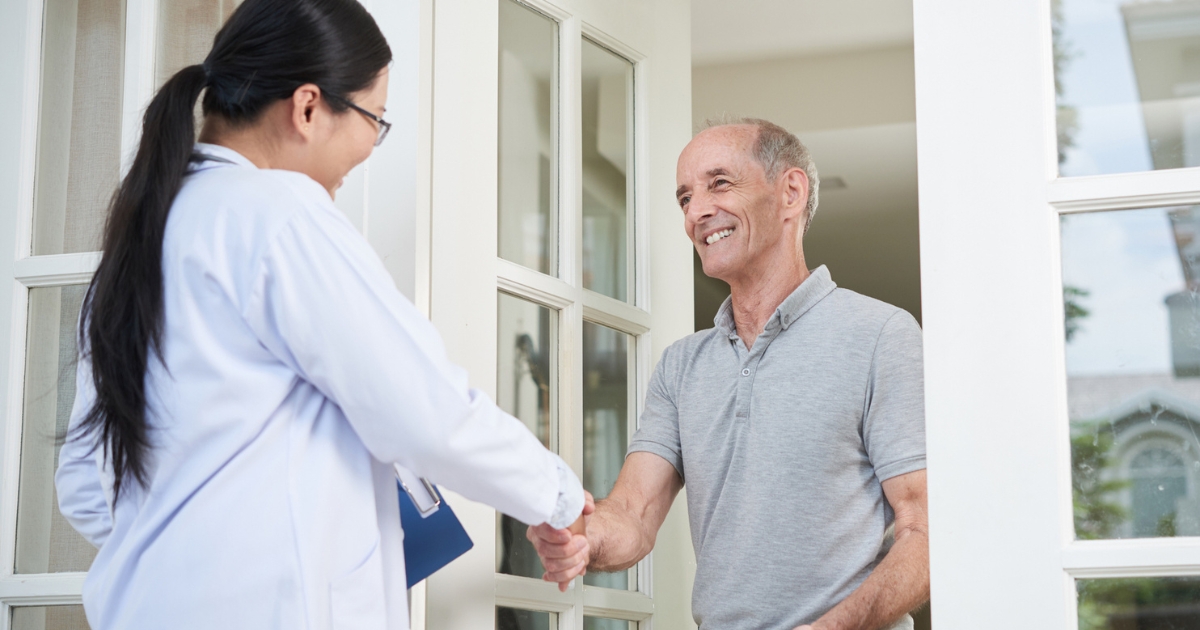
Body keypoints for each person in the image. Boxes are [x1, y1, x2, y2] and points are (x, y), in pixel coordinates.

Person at [54, 1, 588, 628]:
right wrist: (560, 497)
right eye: (374, 119)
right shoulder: (281, 215)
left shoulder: (144, 238)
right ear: (307, 107)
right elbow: (427, 412)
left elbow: (86, 484)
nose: (371, 144)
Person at [528, 119, 929, 630]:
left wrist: (833, 628)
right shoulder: (681, 365)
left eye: (719, 183)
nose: (697, 211)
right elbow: (633, 511)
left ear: (790, 192)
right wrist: (583, 538)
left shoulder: (881, 336)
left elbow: (925, 530)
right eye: (684, 198)